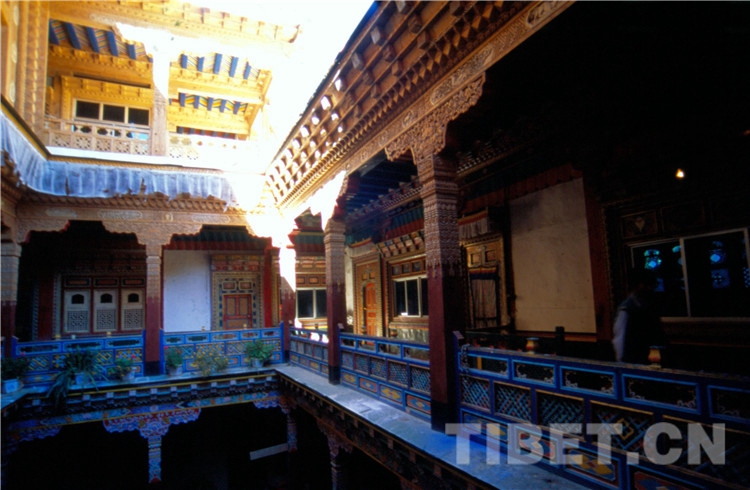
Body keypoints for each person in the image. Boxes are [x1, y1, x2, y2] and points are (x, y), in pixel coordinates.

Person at [612, 269, 666, 364]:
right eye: (649, 285)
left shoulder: (649, 306)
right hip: (634, 361)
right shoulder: (627, 308)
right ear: (639, 285)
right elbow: (620, 340)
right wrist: (623, 364)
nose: (651, 289)